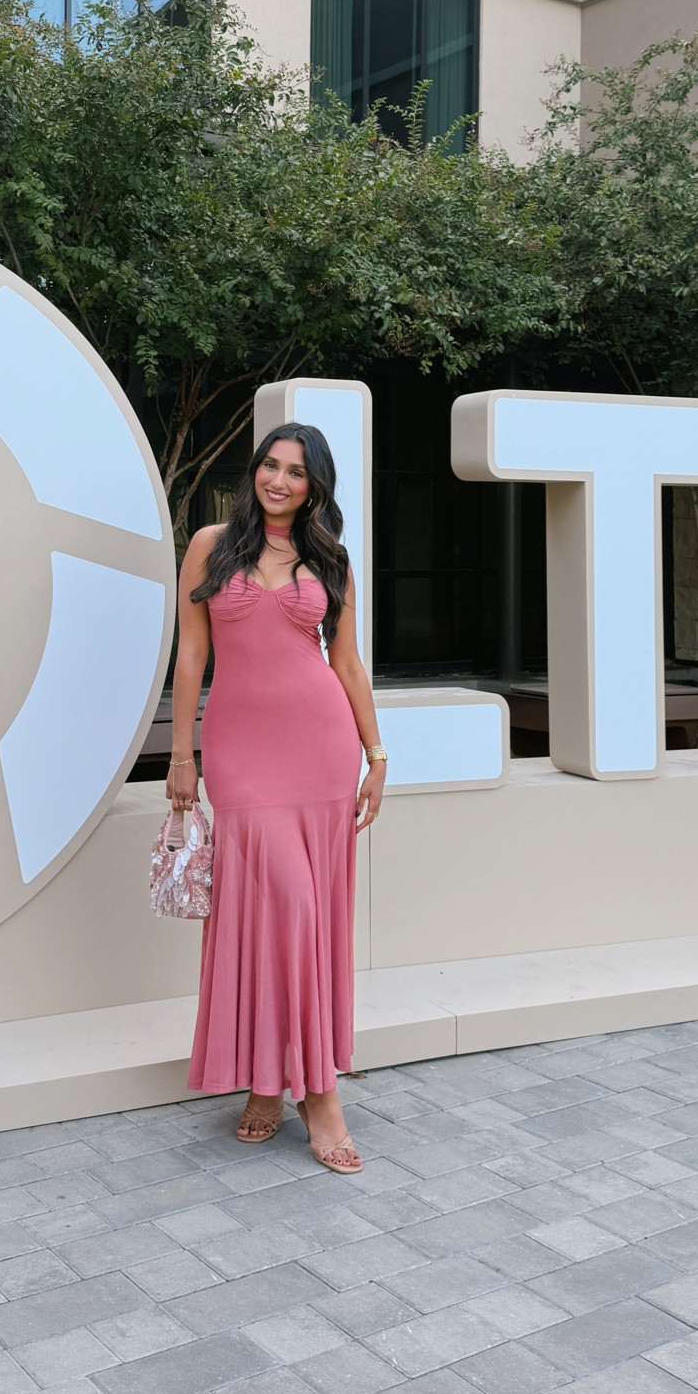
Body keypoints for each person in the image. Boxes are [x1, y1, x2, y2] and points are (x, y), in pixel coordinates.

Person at [167, 423, 387, 1173]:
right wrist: (182, 753)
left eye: (297, 472)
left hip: (320, 748)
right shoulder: (210, 544)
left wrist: (376, 755)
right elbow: (191, 652)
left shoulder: (330, 560)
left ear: (314, 485)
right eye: (270, 465)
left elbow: (348, 665)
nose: (280, 480)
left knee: (302, 914)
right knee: (271, 908)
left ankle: (305, 1091)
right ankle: (274, 1081)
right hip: (239, 750)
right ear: (253, 470)